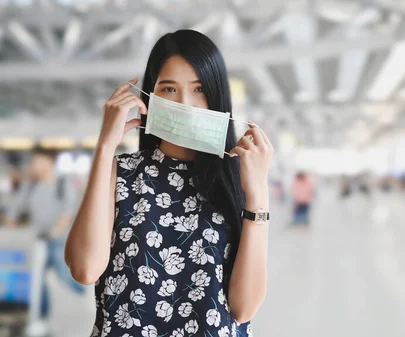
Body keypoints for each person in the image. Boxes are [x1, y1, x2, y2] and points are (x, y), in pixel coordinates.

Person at [64, 30, 273, 337]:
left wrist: (258, 193)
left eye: (198, 89)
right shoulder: (120, 172)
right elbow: (84, 269)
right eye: (169, 89)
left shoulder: (237, 179)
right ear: (149, 97)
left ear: (216, 96)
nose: (185, 103)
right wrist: (105, 146)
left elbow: (244, 308)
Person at [5, 146, 85, 335]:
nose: (33, 165)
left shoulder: (62, 183)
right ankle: (41, 316)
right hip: (36, 242)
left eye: (37, 161)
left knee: (68, 276)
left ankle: (87, 289)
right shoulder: (31, 185)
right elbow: (14, 209)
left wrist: (54, 232)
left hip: (58, 240)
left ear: (49, 162)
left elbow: (68, 211)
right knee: (37, 280)